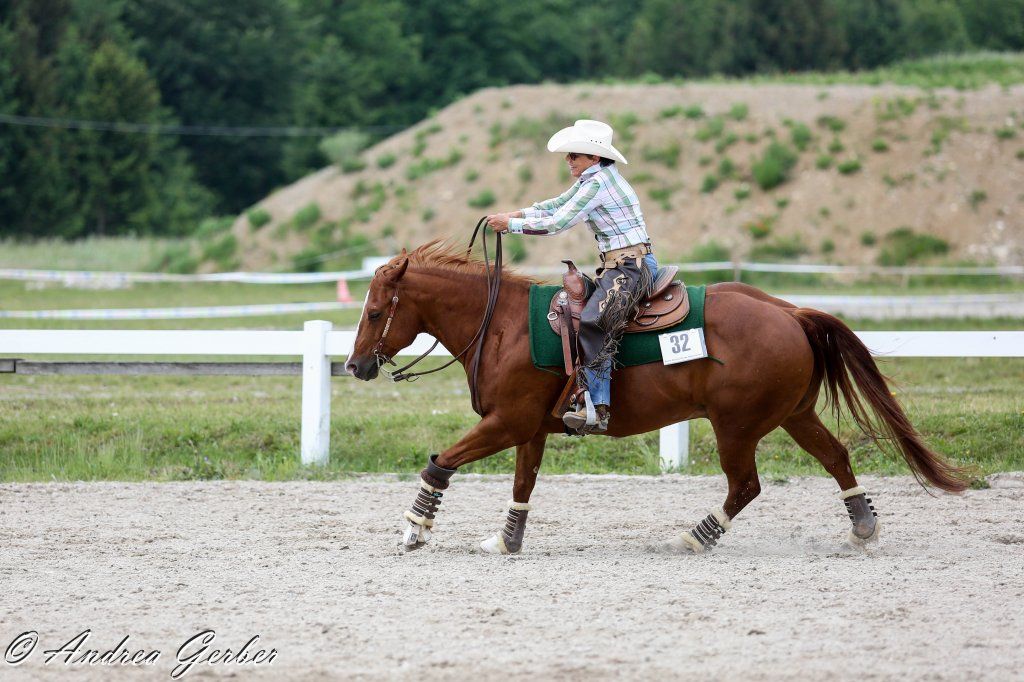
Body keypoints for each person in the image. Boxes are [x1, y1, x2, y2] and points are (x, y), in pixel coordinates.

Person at [486, 119, 657, 433]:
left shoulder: (597, 184)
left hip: (631, 266)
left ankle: (597, 408)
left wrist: (510, 225)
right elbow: (557, 205)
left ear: (594, 157)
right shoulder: (593, 179)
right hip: (624, 264)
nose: (568, 159)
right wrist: (516, 214)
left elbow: (558, 223)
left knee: (594, 321)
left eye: (574, 155)